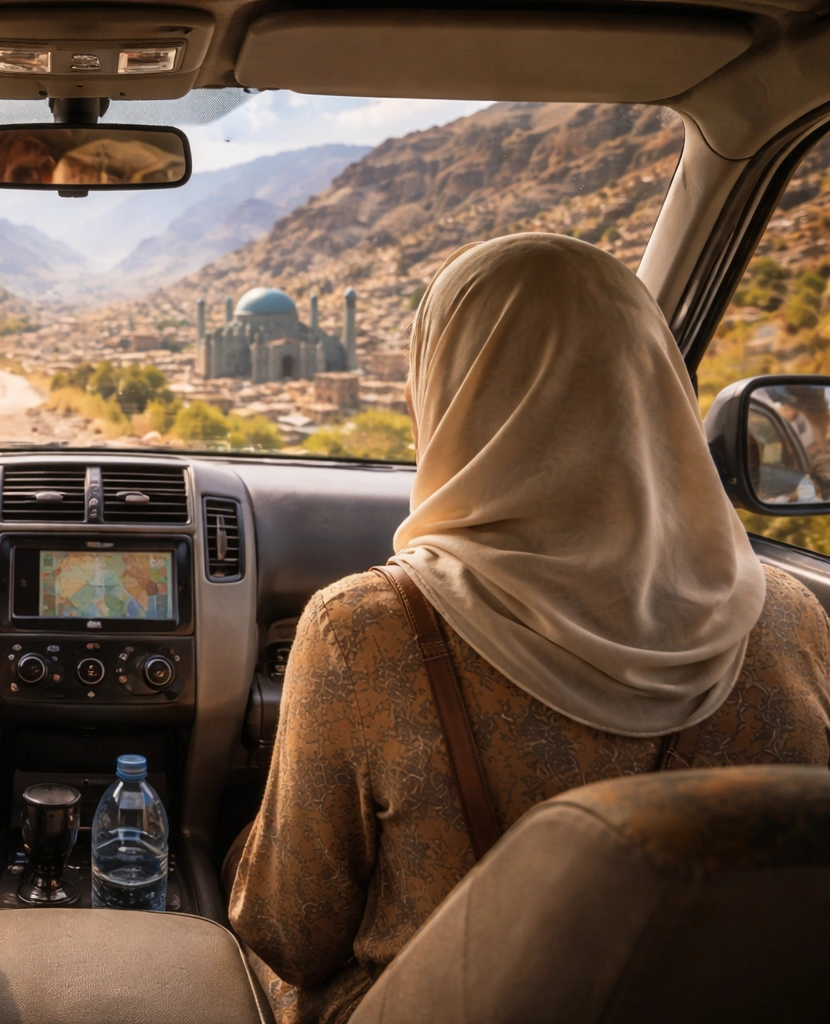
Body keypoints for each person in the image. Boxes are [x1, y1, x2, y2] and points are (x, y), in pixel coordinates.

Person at [227, 233, 830, 1024]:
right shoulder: (789, 618)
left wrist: (232, 847)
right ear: (654, 382)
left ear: (445, 386)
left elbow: (290, 933)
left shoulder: (368, 630)